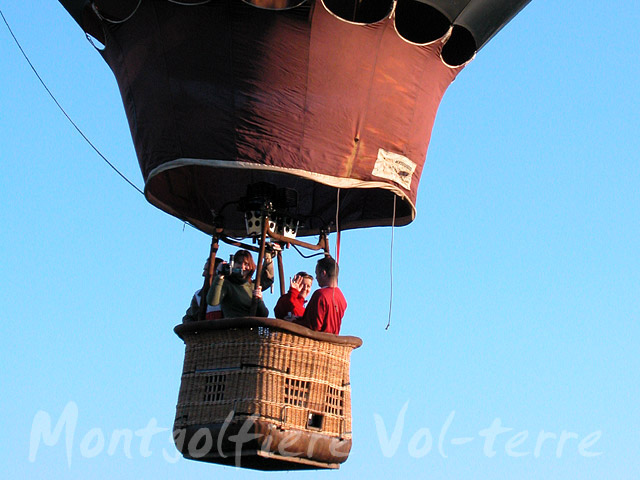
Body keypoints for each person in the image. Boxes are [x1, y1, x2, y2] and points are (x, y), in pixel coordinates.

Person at [207, 249, 269, 318]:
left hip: (250, 327)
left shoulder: (253, 286)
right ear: (233, 265)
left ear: (251, 267)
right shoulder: (227, 284)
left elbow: (264, 314)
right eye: (239, 263)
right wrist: (219, 276)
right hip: (233, 326)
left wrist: (259, 299)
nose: (242, 267)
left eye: (246, 264)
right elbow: (212, 301)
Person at [294, 256, 346, 334]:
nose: (316, 277)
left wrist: (293, 322)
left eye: (317, 273)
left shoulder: (320, 295)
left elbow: (313, 327)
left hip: (317, 343)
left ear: (323, 273)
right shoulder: (342, 298)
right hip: (332, 342)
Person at [182, 258, 225, 323]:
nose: (203, 274)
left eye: (207, 270)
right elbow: (190, 317)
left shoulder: (229, 292)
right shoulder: (199, 296)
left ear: (217, 272)